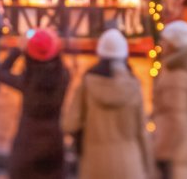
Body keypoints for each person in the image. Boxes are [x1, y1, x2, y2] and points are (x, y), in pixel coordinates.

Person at [62, 29, 154, 179]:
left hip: (94, 164)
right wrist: (149, 169)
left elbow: (70, 124)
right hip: (130, 165)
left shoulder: (88, 84)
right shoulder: (134, 85)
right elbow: (142, 132)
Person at [0, 29, 69, 179]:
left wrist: (19, 48)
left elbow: (1, 72)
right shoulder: (64, 77)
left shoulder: (27, 81)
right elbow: (58, 62)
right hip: (54, 140)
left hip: (27, 141)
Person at [152, 21, 187, 179]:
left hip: (174, 151)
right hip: (185, 144)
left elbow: (176, 118)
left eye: (165, 41)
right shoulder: (184, 67)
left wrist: (160, 152)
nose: (161, 45)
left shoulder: (177, 77)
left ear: (174, 44)